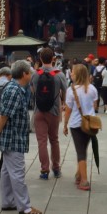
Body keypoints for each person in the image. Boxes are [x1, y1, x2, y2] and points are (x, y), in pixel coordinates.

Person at [0, 60, 43, 214]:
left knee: (7, 171)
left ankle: (8, 201)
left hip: (13, 136)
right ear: (24, 74)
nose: (31, 74)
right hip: (13, 137)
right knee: (17, 172)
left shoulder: (16, 88)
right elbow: (5, 114)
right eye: (29, 72)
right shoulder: (14, 90)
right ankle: (25, 206)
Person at [30, 48, 66, 181]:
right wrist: (62, 103)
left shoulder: (35, 74)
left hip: (39, 111)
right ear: (53, 59)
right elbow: (64, 91)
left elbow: (33, 90)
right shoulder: (59, 74)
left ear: (40, 59)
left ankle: (44, 170)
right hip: (54, 110)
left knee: (42, 141)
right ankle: (56, 168)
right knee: (54, 140)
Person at [63, 63, 99, 191]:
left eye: (72, 72)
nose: (71, 74)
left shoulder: (71, 90)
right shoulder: (93, 89)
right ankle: (79, 174)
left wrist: (65, 124)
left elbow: (68, 110)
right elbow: (95, 106)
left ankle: (84, 180)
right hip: (90, 124)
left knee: (80, 152)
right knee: (83, 149)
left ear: (76, 74)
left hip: (76, 124)